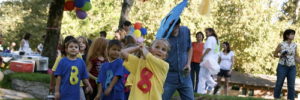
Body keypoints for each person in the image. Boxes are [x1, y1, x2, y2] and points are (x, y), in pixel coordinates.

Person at [162, 19, 194, 100]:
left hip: (184, 74)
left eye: (175, 27)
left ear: (178, 25)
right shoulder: (163, 36)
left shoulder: (186, 31)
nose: (173, 29)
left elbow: (189, 48)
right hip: (169, 76)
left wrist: (188, 64)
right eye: (170, 27)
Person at [273, 29, 299, 100]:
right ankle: (276, 98)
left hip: (292, 67)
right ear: (287, 35)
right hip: (282, 66)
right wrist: (280, 56)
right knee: (279, 83)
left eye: (294, 34)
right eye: (292, 34)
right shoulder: (281, 44)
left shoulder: (294, 45)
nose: (293, 35)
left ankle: (290, 99)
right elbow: (275, 54)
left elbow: (296, 56)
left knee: (291, 85)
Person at [197, 28, 220, 94]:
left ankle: (200, 92)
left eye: (206, 33)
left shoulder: (210, 39)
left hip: (207, 59)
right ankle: (215, 84)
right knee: (205, 75)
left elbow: (209, 48)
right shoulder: (217, 40)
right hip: (213, 60)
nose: (206, 34)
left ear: (211, 32)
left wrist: (202, 56)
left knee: (201, 76)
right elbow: (216, 52)